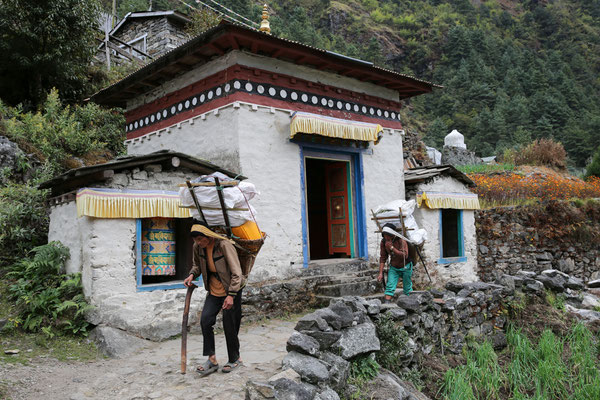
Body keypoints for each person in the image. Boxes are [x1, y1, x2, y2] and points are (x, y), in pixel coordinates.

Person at [183, 222, 244, 376]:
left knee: (229, 325)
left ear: (208, 235)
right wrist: (191, 274)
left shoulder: (224, 245)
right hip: (214, 291)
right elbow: (197, 266)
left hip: (231, 290)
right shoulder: (198, 247)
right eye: (195, 240)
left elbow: (237, 273)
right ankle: (212, 359)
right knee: (205, 320)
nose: (198, 242)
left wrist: (231, 295)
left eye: (200, 239)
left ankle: (235, 359)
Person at [377, 223, 413, 302]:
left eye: (388, 235)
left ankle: (410, 304)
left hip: (406, 266)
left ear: (392, 234)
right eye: (384, 235)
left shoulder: (401, 240)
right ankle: (387, 305)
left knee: (407, 288)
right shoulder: (383, 242)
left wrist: (392, 248)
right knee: (390, 286)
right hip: (394, 267)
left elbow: (405, 255)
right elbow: (383, 257)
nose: (386, 237)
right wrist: (380, 273)